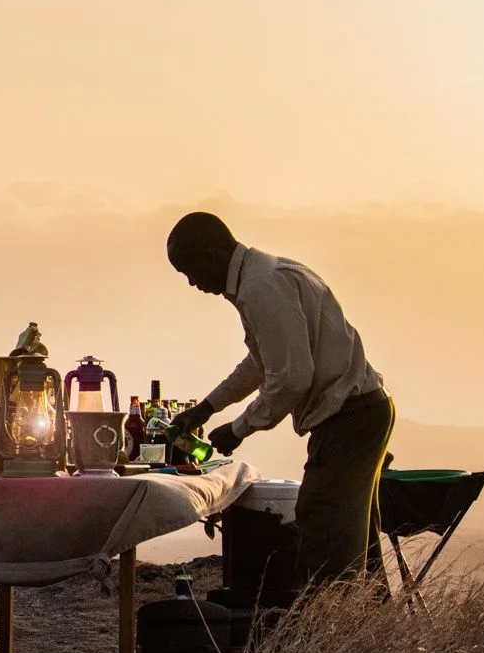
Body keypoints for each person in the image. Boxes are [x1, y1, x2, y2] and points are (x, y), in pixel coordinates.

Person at [165, 212, 394, 584]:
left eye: (190, 271)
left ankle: (331, 631)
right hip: (360, 413)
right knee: (355, 541)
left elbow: (291, 378)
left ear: (211, 255)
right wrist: (206, 408)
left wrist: (240, 428)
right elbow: (261, 365)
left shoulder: (261, 288)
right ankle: (374, 630)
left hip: (348, 419)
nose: (193, 283)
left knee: (324, 532)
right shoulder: (261, 277)